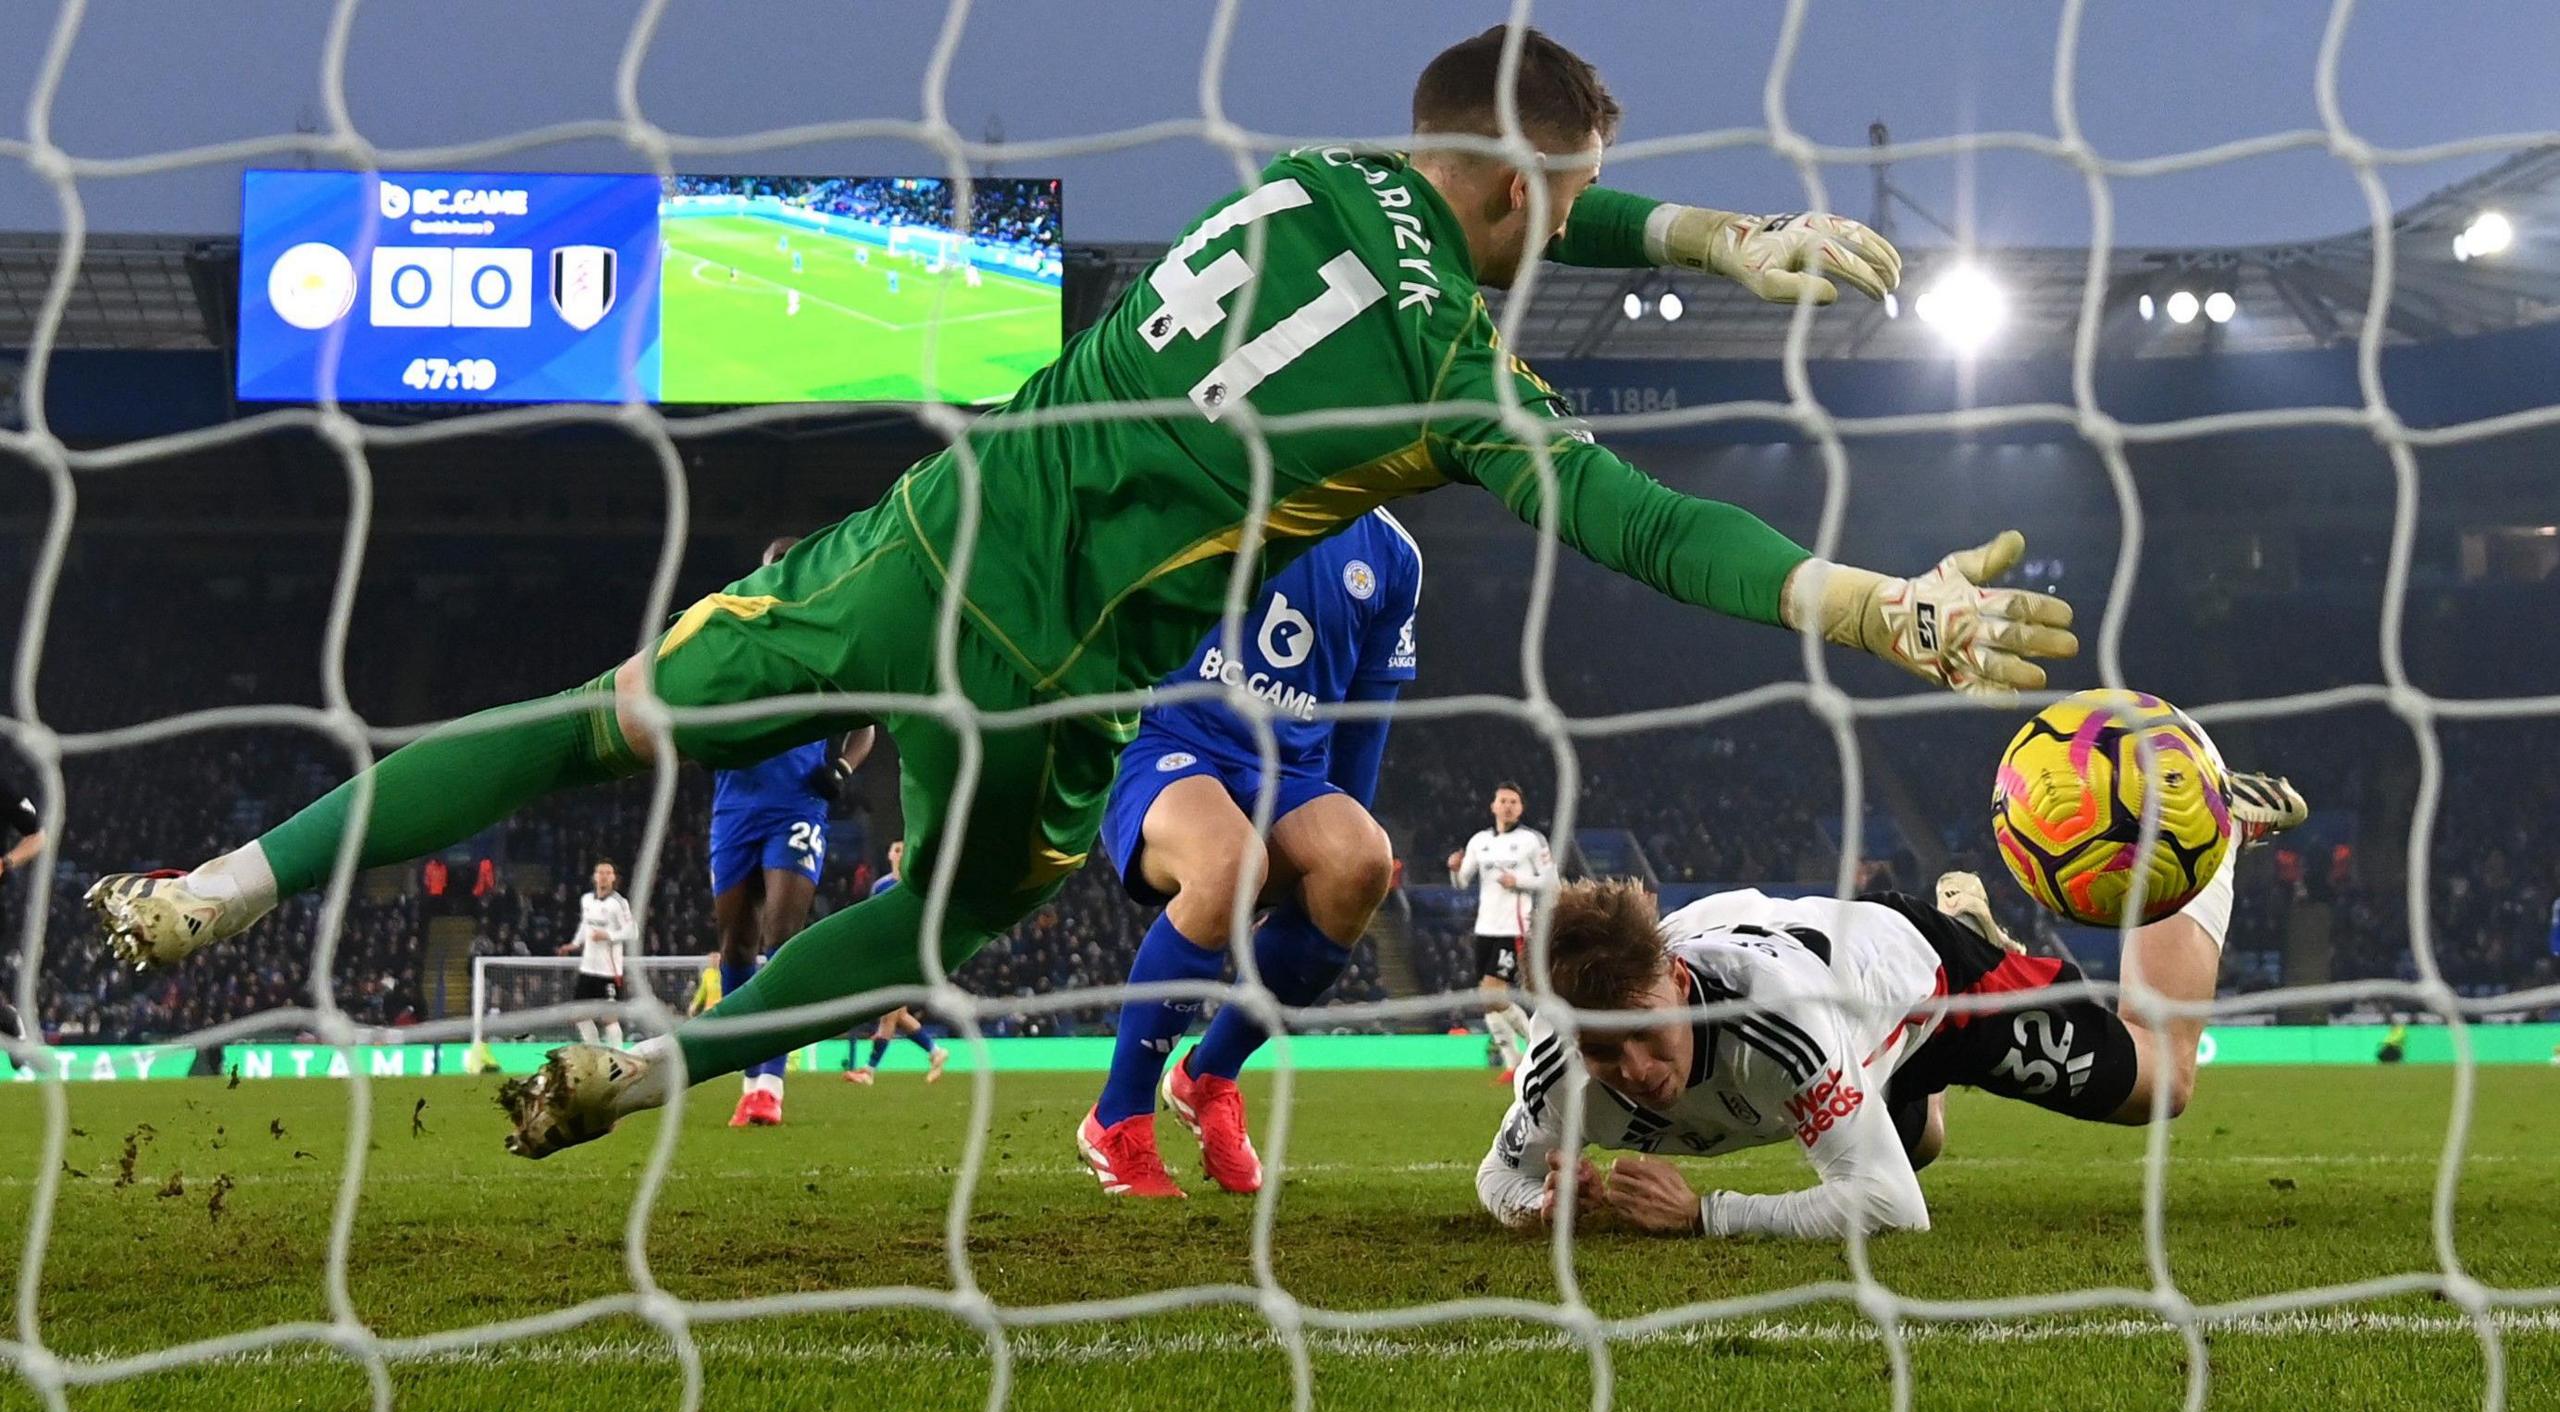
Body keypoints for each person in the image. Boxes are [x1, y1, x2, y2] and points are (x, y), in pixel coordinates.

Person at [88, 26, 2069, 1162]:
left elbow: (1513, 192)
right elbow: (1646, 526)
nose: (1575, 227)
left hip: (931, 542)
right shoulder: (1454, 386)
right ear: (1513, 197)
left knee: (591, 728)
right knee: (935, 925)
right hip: (1066, 676)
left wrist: (1707, 234)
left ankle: (209, 896)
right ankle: (653, 1068)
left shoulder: (1313, 175)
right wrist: (1877, 609)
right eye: (1572, 204)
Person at [1476, 766, 2307, 1240]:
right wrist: (1532, 1207)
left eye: (1646, 1035)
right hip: (1839, 1000)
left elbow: (1893, 1211)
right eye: (1603, 1052)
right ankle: (1897, 1063)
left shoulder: (1775, 1026)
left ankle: (2211, 829)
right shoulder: (1557, 1063)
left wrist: (1705, 1214)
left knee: (2160, 1081)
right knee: (1918, 1142)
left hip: (1926, 981)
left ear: (1680, 986)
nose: (1635, 1072)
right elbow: (1498, 1174)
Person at [1077, 510, 1421, 1198]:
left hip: (1286, 774)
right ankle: (1117, 1116)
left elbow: (1362, 724)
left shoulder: (1394, 554)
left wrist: (1341, 834)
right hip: (1167, 738)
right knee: (1231, 862)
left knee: (1362, 860)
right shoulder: (1225, 473)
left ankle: (1210, 1075)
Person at [705, 535, 872, 1129]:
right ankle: (751, 1074)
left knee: (782, 935)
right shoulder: (729, 635)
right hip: (734, 809)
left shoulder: (828, 646)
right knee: (736, 946)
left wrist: (843, 769)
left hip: (799, 804)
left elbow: (865, 726)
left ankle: (769, 1084)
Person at [1448, 782, 1550, 1077]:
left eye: (1513, 801)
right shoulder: (1479, 841)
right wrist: (1454, 869)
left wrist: (1519, 881)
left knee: (1494, 995)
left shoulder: (1532, 840)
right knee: (1486, 999)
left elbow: (1550, 879)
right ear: (1493, 806)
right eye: (1503, 800)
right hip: (1485, 927)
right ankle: (1512, 1063)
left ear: (1521, 808)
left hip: (1514, 927)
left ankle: (1536, 1050)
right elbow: (1462, 882)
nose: (1507, 806)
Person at [846, 840, 949, 1085]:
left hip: (908, 956)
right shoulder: (881, 886)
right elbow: (872, 920)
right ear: (890, 855)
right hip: (886, 954)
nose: (900, 854)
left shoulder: (918, 886)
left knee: (889, 1014)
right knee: (898, 1014)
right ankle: (935, 1051)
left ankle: (869, 1071)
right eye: (896, 849)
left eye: (904, 849)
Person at [553, 862, 636, 1047]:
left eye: (608, 873)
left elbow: (632, 932)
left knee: (609, 1018)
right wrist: (574, 944)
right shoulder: (587, 900)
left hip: (609, 972)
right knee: (579, 1015)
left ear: (614, 878)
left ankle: (617, 1058)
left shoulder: (619, 903)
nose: (604, 876)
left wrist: (608, 935)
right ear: (594, 877)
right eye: (600, 872)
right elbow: (585, 924)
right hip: (588, 969)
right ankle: (595, 1052)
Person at [0, 781, 44, 1043]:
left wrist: (7, 862)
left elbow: (38, 836)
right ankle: (5, 1018)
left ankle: (6, 1018)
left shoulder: (4, 792)